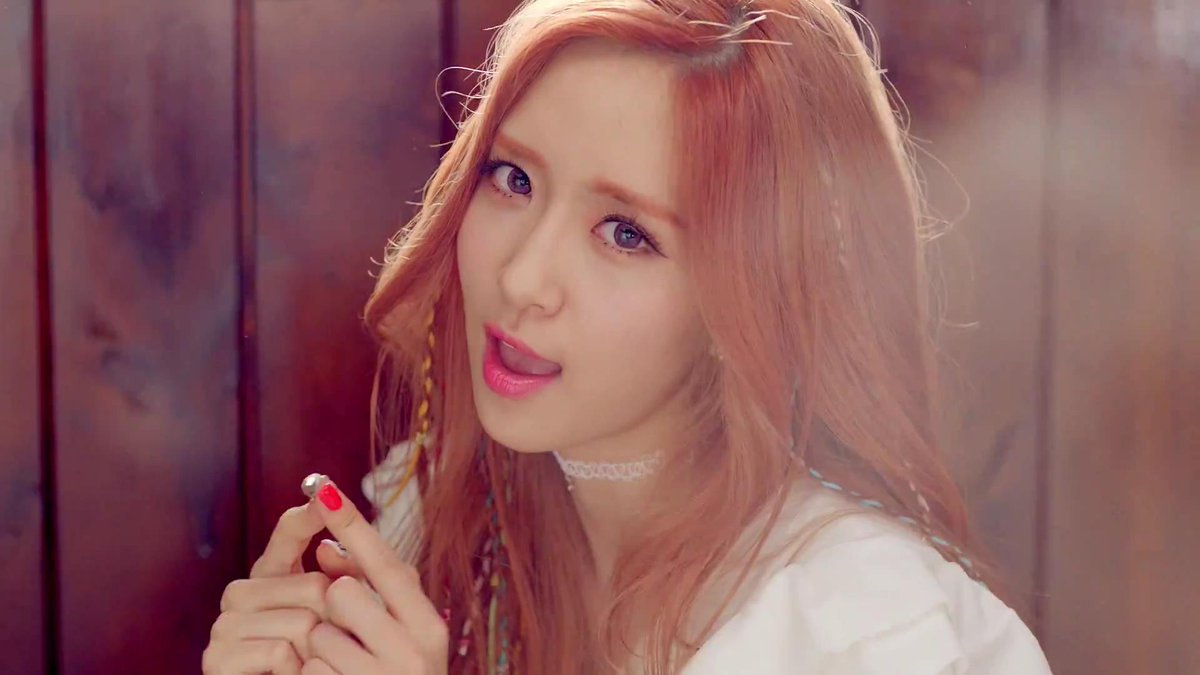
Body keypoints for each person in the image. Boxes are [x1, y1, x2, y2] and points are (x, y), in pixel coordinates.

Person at [203, 1, 1055, 673]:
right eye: (513, 177)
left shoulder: (869, 632)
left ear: (757, 298)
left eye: (625, 233)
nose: (523, 279)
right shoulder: (443, 514)